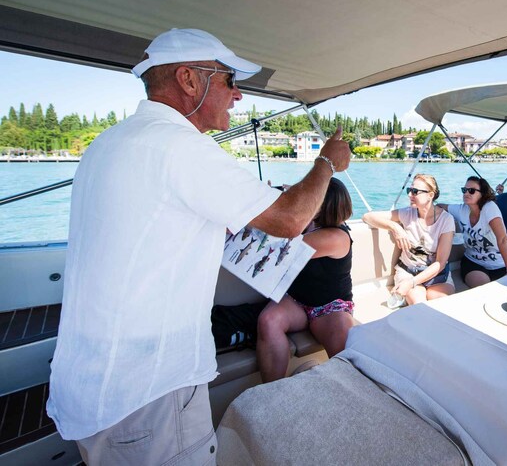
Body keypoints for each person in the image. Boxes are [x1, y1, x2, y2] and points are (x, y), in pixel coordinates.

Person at [46, 28, 351, 465]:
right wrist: (326, 162)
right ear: (189, 80)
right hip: (146, 390)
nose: (238, 96)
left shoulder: (108, 143)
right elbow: (290, 219)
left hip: (94, 384)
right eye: (229, 80)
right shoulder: (179, 145)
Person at [257, 178, 356, 383]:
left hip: (330, 307)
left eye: (311, 196)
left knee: (346, 356)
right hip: (297, 301)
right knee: (268, 320)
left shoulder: (335, 236)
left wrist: (280, 203)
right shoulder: (310, 224)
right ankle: (272, 389)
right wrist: (285, 194)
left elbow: (286, 244)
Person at [363, 174, 455, 305]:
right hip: (408, 272)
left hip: (437, 275)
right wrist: (395, 227)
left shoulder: (446, 220)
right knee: (419, 304)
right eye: (409, 190)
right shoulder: (407, 213)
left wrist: (412, 283)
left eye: (415, 191)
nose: (410, 195)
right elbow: (368, 216)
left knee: (438, 301)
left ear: (431, 195)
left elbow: (440, 262)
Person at [438, 176, 507, 288]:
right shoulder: (461, 210)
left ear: (482, 194)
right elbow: (440, 206)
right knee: (483, 288)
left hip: (500, 264)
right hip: (473, 263)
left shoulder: (489, 208)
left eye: (472, 191)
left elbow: (503, 239)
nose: (466, 193)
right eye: (464, 190)